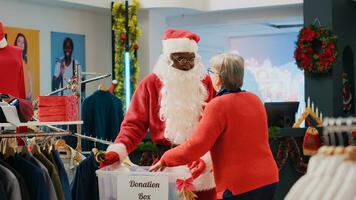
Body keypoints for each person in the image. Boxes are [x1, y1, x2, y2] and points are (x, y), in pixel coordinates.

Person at [101, 28, 217, 200]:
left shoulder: (206, 82)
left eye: (191, 59)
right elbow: (134, 125)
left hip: (201, 170)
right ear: (168, 58)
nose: (187, 64)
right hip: (165, 168)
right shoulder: (150, 84)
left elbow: (216, 126)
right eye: (181, 59)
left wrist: (208, 160)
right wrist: (118, 150)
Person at [150, 53, 279, 200]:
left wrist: (166, 158)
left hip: (239, 185)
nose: (209, 76)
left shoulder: (218, 105)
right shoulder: (254, 99)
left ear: (219, 77)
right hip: (268, 178)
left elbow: (196, 146)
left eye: (211, 72)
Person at [14, 33, 33, 100]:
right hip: (17, 95)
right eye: (19, 41)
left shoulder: (26, 60)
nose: (21, 44)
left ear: (25, 45)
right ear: (16, 43)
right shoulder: (13, 59)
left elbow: (29, 77)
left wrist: (31, 91)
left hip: (27, 96)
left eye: (23, 42)